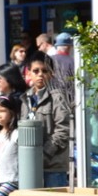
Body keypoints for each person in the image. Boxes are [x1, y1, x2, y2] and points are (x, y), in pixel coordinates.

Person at [21, 52, 71, 187]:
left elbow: (64, 130)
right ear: (29, 73)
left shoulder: (58, 97)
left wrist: (45, 154)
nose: (40, 75)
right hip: (30, 165)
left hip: (53, 165)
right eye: (36, 71)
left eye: (44, 71)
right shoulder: (26, 98)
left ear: (52, 73)